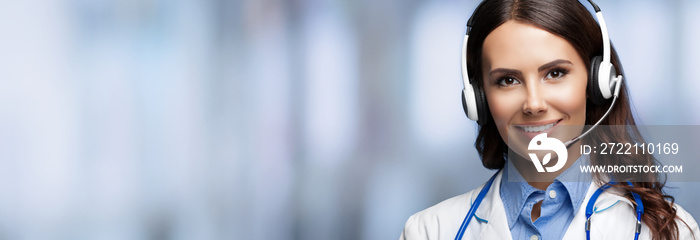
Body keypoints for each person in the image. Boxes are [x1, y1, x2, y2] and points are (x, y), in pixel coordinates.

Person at [400, 0, 699, 239]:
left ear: (597, 83)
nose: (533, 104)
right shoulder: (429, 231)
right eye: (507, 80)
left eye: (555, 73)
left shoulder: (668, 231)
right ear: (478, 99)